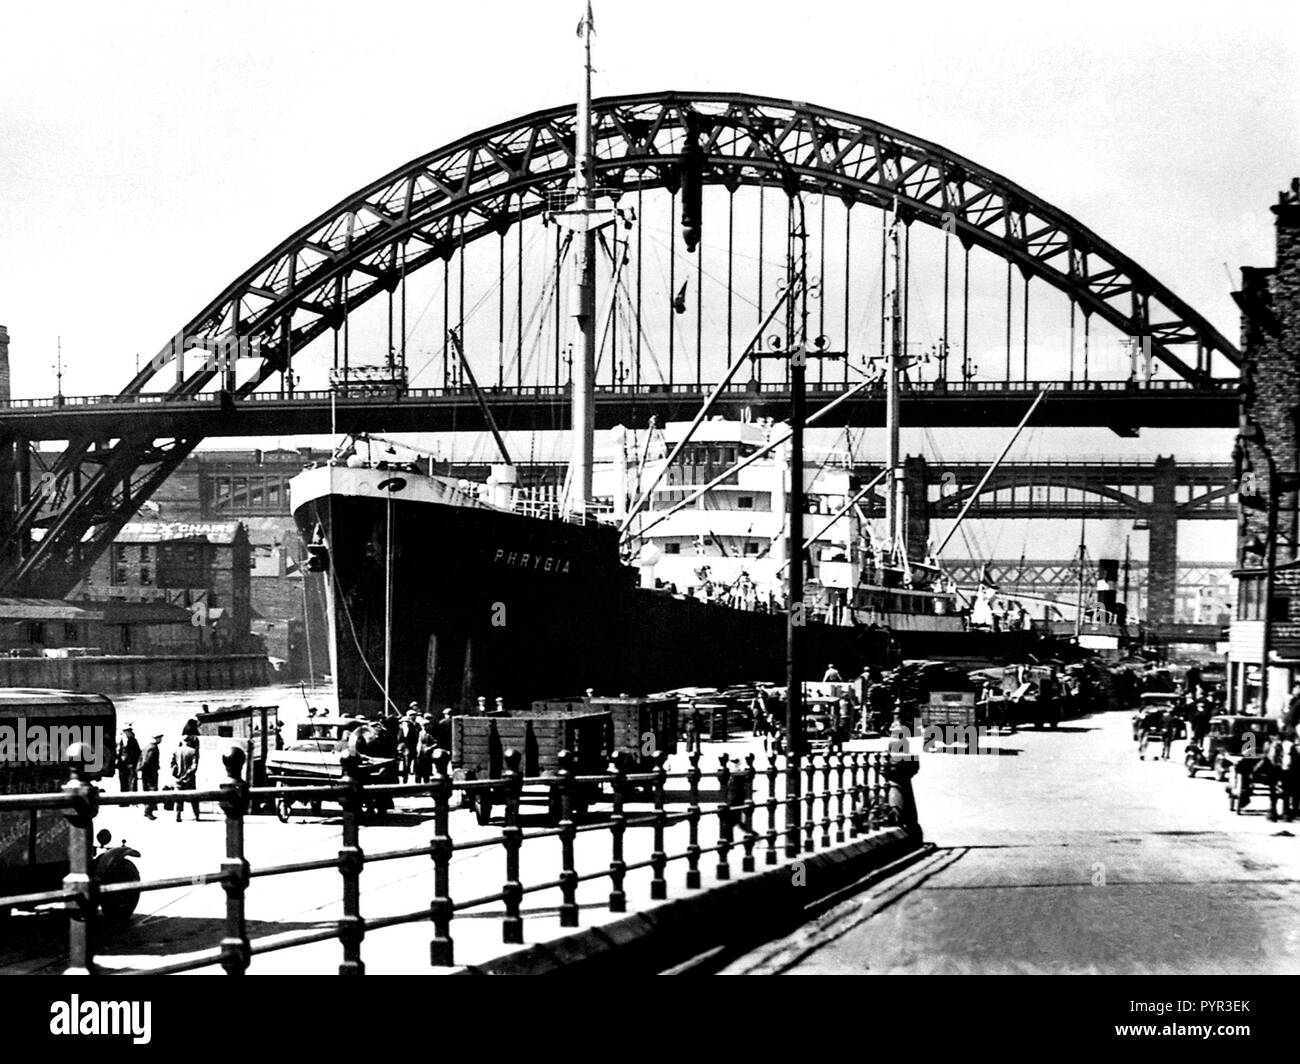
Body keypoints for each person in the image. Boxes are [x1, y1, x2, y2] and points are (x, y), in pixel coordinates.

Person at [171, 735, 201, 822]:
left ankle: (178, 816)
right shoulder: (193, 751)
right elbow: (194, 766)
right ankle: (197, 816)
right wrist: (187, 774)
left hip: (178, 779)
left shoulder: (176, 750)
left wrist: (176, 775)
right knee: (194, 798)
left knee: (178, 798)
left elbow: (172, 764)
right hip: (189, 779)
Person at [139, 732, 162, 819]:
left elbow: (141, 759)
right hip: (150, 773)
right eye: (159, 738)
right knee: (151, 791)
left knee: (147, 791)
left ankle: (147, 810)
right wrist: (151, 770)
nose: (160, 740)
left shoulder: (147, 747)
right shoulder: (153, 748)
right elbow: (147, 761)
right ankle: (148, 812)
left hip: (146, 773)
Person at [116, 725, 141, 792]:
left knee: (132, 785)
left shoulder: (133, 741)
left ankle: (132, 800)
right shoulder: (120, 742)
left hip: (130, 766)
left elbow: (137, 754)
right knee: (124, 785)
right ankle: (124, 801)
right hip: (122, 767)